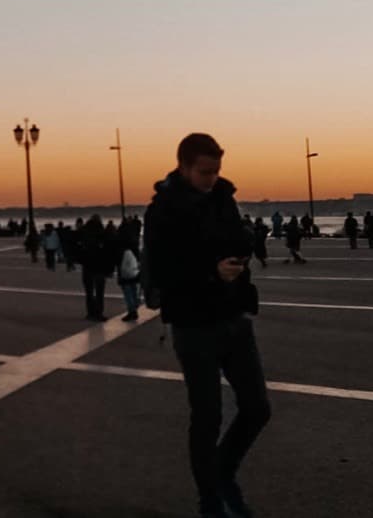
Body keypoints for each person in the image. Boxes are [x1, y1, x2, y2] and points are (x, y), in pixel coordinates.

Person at [144, 133, 270, 518]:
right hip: (193, 324)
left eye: (216, 171)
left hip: (232, 316)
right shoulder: (162, 211)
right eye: (204, 172)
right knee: (207, 416)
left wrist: (243, 249)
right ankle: (210, 500)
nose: (211, 178)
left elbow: (234, 238)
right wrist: (211, 272)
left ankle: (221, 472)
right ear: (183, 167)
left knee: (257, 408)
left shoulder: (223, 198)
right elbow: (165, 271)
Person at [76, 216, 114, 322]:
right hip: (99, 267)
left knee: (89, 292)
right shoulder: (102, 234)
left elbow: (76, 246)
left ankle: (90, 313)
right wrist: (109, 269)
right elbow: (108, 252)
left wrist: (81, 259)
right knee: (99, 292)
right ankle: (99, 313)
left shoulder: (84, 233)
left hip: (87, 266)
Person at [118, 242, 143, 322]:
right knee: (133, 290)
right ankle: (134, 307)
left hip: (126, 274)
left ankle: (132, 311)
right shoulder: (134, 248)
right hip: (134, 272)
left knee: (128, 292)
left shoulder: (123, 251)